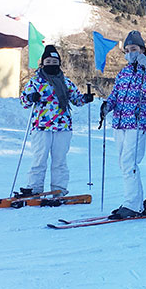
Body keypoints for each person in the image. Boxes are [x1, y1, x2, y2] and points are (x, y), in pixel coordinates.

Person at [17, 45, 93, 198]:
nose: (51, 64)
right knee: (39, 159)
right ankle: (34, 188)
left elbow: (76, 100)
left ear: (59, 63)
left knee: (59, 160)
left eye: (54, 61)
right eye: (48, 61)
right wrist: (31, 98)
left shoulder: (66, 82)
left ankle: (59, 189)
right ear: (43, 63)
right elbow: (24, 101)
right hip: (41, 127)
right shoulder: (35, 82)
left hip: (62, 126)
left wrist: (85, 99)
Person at [100, 30, 146, 219]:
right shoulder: (124, 72)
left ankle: (132, 204)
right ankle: (136, 201)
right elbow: (116, 94)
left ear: (142, 49)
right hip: (119, 123)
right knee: (123, 163)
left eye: (133, 48)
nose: (130, 52)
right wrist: (107, 106)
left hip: (136, 122)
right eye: (127, 49)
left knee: (128, 162)